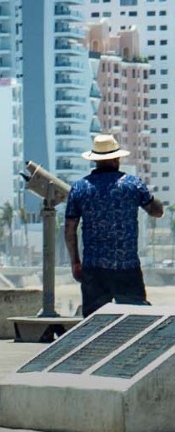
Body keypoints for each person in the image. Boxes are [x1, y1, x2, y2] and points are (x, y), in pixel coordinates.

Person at [66, 133, 165, 316]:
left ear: (95, 160)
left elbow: (70, 229)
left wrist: (75, 262)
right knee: (136, 319)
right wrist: (152, 198)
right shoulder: (132, 185)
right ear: (116, 158)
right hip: (126, 266)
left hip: (94, 267)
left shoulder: (80, 188)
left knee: (93, 322)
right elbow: (156, 211)